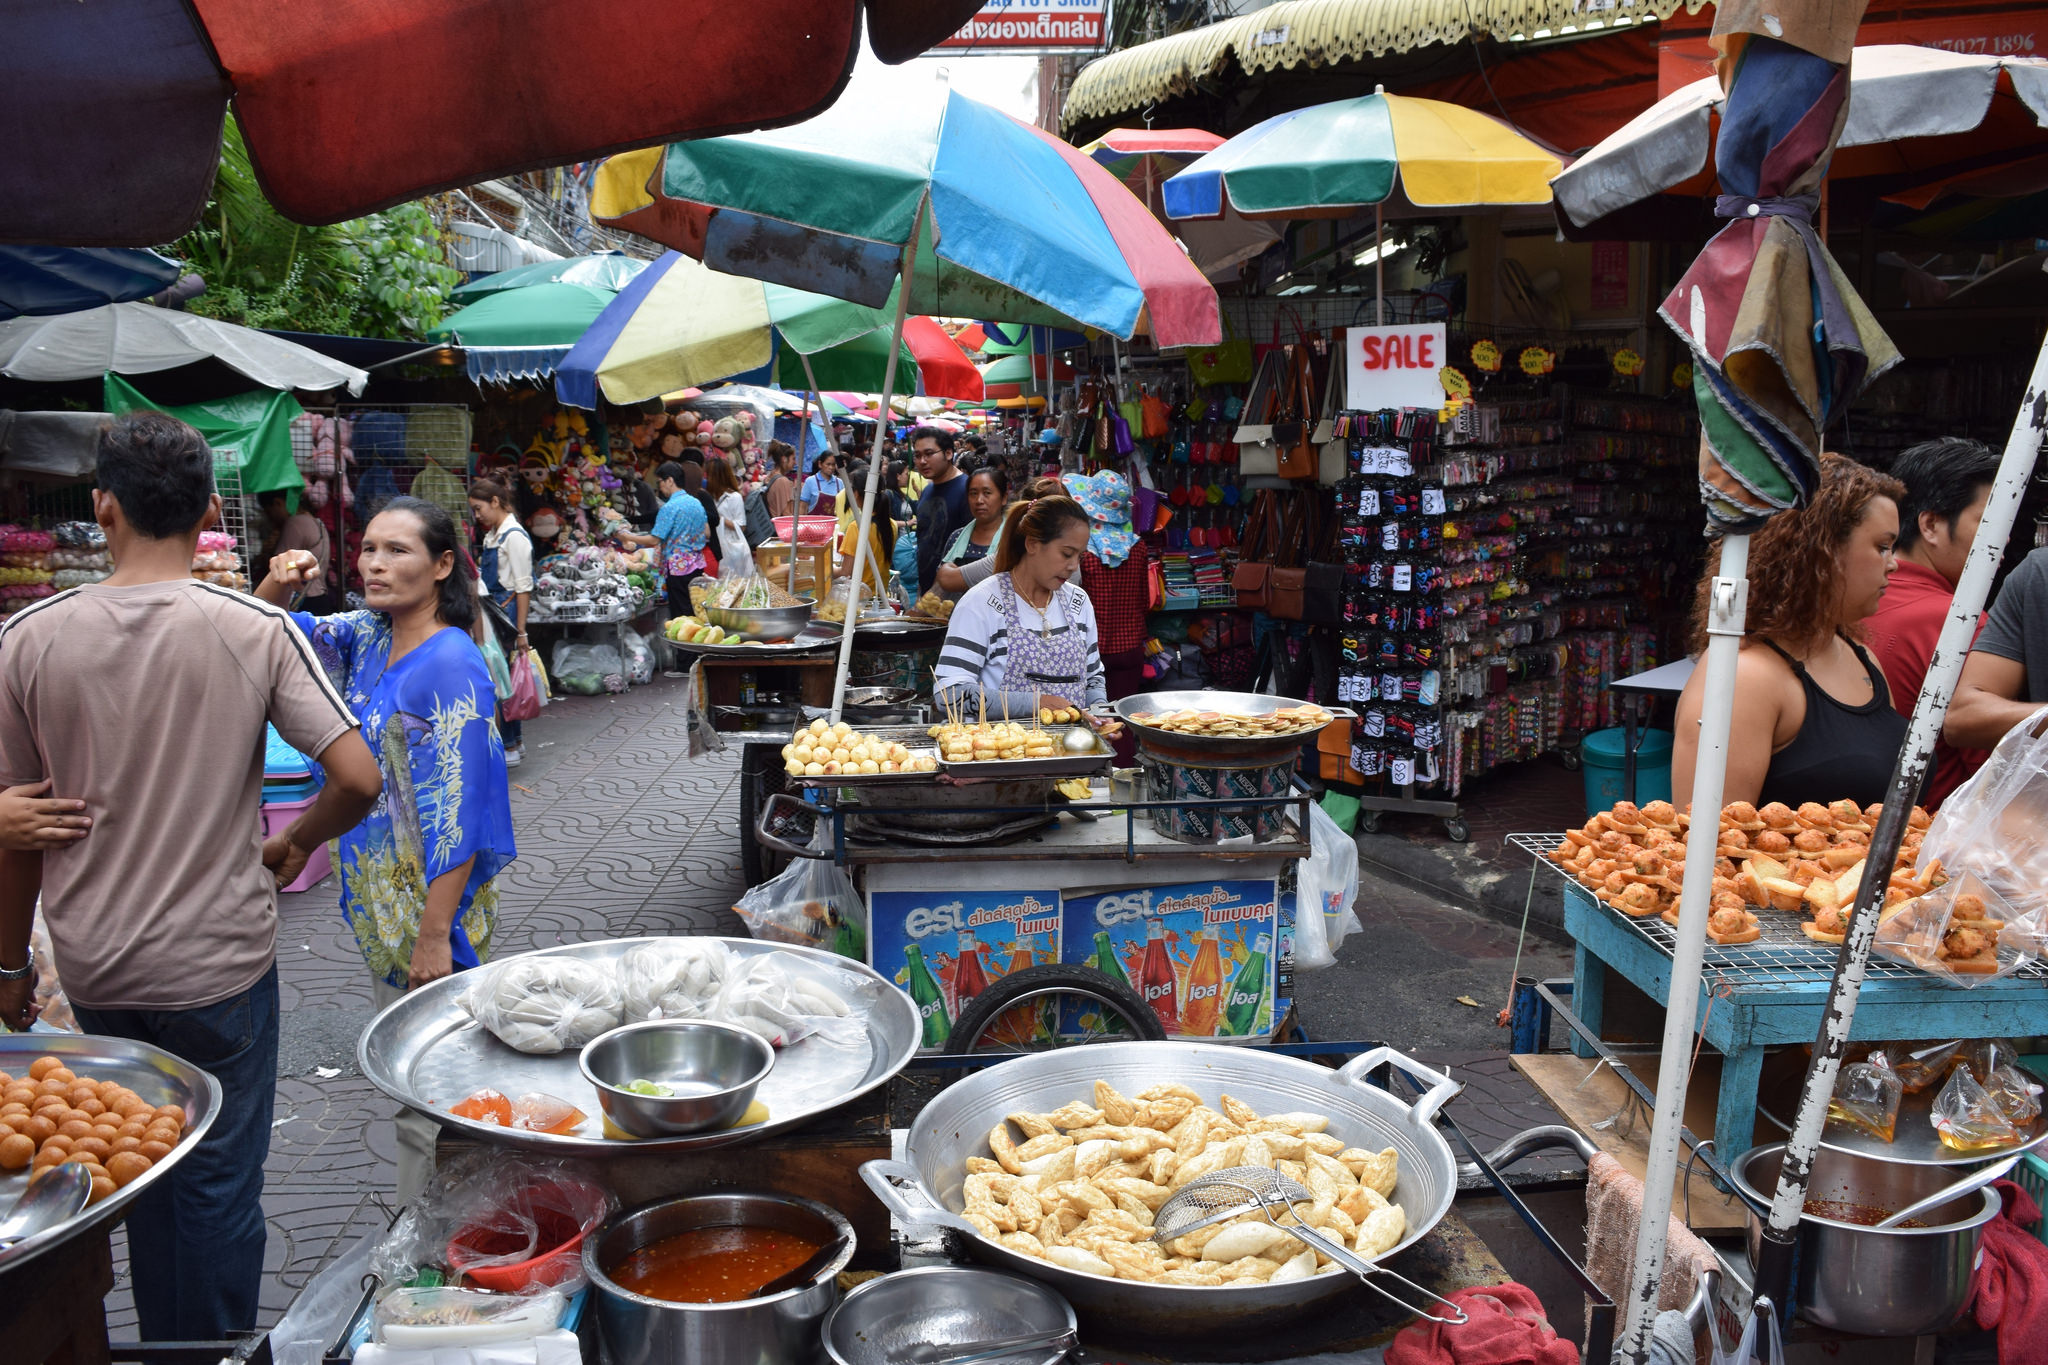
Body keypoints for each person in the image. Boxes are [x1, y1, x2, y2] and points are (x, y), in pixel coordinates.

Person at [0, 412, 382, 1344]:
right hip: (221, 964)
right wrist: (296, 846)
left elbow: (17, 826)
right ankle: (203, 1349)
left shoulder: (28, 637)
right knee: (214, 1182)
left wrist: (12, 967)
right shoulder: (252, 627)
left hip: (96, 969)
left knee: (130, 1163)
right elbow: (359, 778)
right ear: (211, 508)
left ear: (102, 509)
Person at [256, 497, 516, 1203]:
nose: (375, 562)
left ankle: (430, 1245)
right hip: (380, 905)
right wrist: (280, 578)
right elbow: (263, 635)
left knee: (424, 1089)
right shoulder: (367, 637)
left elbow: (461, 810)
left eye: (398, 550)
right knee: (420, 1075)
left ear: (441, 566)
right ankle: (445, 1226)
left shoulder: (452, 663)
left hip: (432, 911)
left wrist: (436, 933)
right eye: (368, 547)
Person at [1672, 455, 1907, 808]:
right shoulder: (1746, 676)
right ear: (1824, 552)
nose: (1894, 563)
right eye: (1882, 547)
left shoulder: (1860, 655)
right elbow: (1713, 843)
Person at [1862, 438, 2000, 805]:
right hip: (1935, 836)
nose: (2002, 541)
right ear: (1931, 524)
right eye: (1988, 523)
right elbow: (1993, 777)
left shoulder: (1852, 607)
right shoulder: (1958, 622)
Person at [933, 493, 1106, 720]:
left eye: (1080, 557)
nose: (1074, 566)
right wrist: (1038, 704)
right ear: (1032, 544)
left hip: (1070, 751)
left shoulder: (1078, 602)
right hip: (999, 753)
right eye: (1066, 554)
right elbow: (949, 694)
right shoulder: (983, 602)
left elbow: (1093, 677)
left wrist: (1100, 712)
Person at [1064, 471, 1153, 702]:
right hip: (1131, 646)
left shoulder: (1082, 553)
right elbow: (1144, 601)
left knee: (1092, 719)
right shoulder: (1138, 547)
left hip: (1091, 648)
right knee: (1123, 720)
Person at [468, 477, 533, 768]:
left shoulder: (514, 536)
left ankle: (509, 744)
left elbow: (523, 588)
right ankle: (514, 742)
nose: (477, 515)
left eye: (479, 508)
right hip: (492, 611)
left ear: (495, 501)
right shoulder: (493, 534)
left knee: (500, 681)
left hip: (504, 616)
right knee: (501, 679)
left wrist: (521, 632)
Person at [614, 461, 709, 619]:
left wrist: (627, 536)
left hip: (677, 568)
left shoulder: (669, 507)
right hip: (697, 564)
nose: (659, 486)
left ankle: (681, 644)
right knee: (695, 612)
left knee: (681, 615)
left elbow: (653, 540)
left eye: (660, 482)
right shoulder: (696, 503)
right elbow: (707, 532)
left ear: (670, 480)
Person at [913, 426, 972, 602]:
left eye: (929, 453)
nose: (922, 461)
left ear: (948, 454)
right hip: (927, 593)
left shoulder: (968, 490)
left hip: (954, 598)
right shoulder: (927, 490)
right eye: (917, 456)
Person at [935, 465, 1012, 596]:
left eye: (987, 493)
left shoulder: (1012, 540)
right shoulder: (956, 537)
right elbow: (938, 589)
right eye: (973, 494)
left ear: (1003, 498)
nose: (979, 500)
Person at [258, 488, 331, 609]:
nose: (270, 518)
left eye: (269, 511)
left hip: (303, 600)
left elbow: (279, 565)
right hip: (320, 596)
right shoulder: (316, 522)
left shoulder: (294, 523)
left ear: (278, 503)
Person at [835, 461, 896, 603]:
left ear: (855, 493)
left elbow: (845, 573)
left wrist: (824, 566)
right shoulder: (892, 525)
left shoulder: (856, 528)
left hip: (860, 601)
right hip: (881, 598)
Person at [705, 454, 754, 579]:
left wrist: (719, 518)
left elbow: (741, 525)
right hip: (715, 545)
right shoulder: (707, 496)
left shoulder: (734, 497)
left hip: (731, 548)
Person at [764, 440, 799, 522]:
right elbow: (786, 514)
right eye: (793, 459)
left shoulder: (770, 476)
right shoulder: (782, 481)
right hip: (779, 530)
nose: (795, 463)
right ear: (784, 459)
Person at [800, 450, 844, 515]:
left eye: (833, 464)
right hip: (814, 523)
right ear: (820, 464)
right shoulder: (810, 481)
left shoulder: (839, 483)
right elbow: (802, 506)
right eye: (828, 464)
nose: (831, 467)